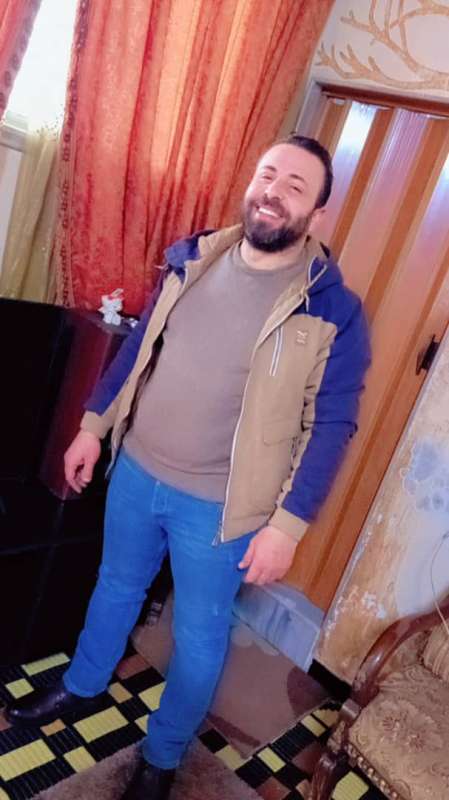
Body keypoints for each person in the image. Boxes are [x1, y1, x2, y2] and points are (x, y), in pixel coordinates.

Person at [7, 135, 370, 799]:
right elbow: (140, 348)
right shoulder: (194, 258)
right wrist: (92, 426)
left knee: (198, 637)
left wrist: (286, 526)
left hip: (220, 507)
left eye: (294, 186)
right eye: (266, 175)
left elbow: (330, 427)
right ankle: (83, 683)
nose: (272, 192)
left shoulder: (331, 311)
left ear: (318, 214)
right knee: (115, 585)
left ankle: (162, 755)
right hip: (137, 470)